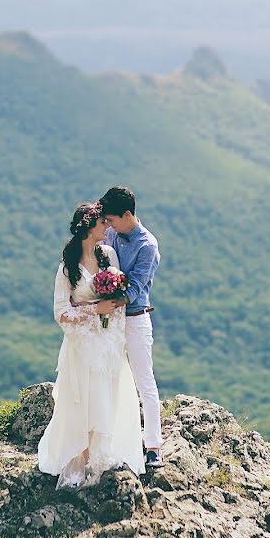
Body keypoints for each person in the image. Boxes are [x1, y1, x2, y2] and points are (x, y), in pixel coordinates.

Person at [37, 202, 146, 488]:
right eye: (101, 222)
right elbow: (61, 312)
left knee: (107, 398)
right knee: (85, 401)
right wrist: (94, 311)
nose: (107, 226)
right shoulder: (67, 268)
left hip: (107, 342)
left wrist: (115, 332)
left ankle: (102, 455)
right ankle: (84, 459)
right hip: (82, 345)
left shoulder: (108, 255)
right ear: (88, 227)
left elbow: (118, 300)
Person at [99, 186, 164, 467]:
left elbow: (135, 288)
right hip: (111, 320)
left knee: (143, 381)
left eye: (112, 220)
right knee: (110, 379)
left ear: (127, 215)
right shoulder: (113, 233)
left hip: (136, 319)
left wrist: (106, 303)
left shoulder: (147, 245)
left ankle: (153, 446)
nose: (109, 226)